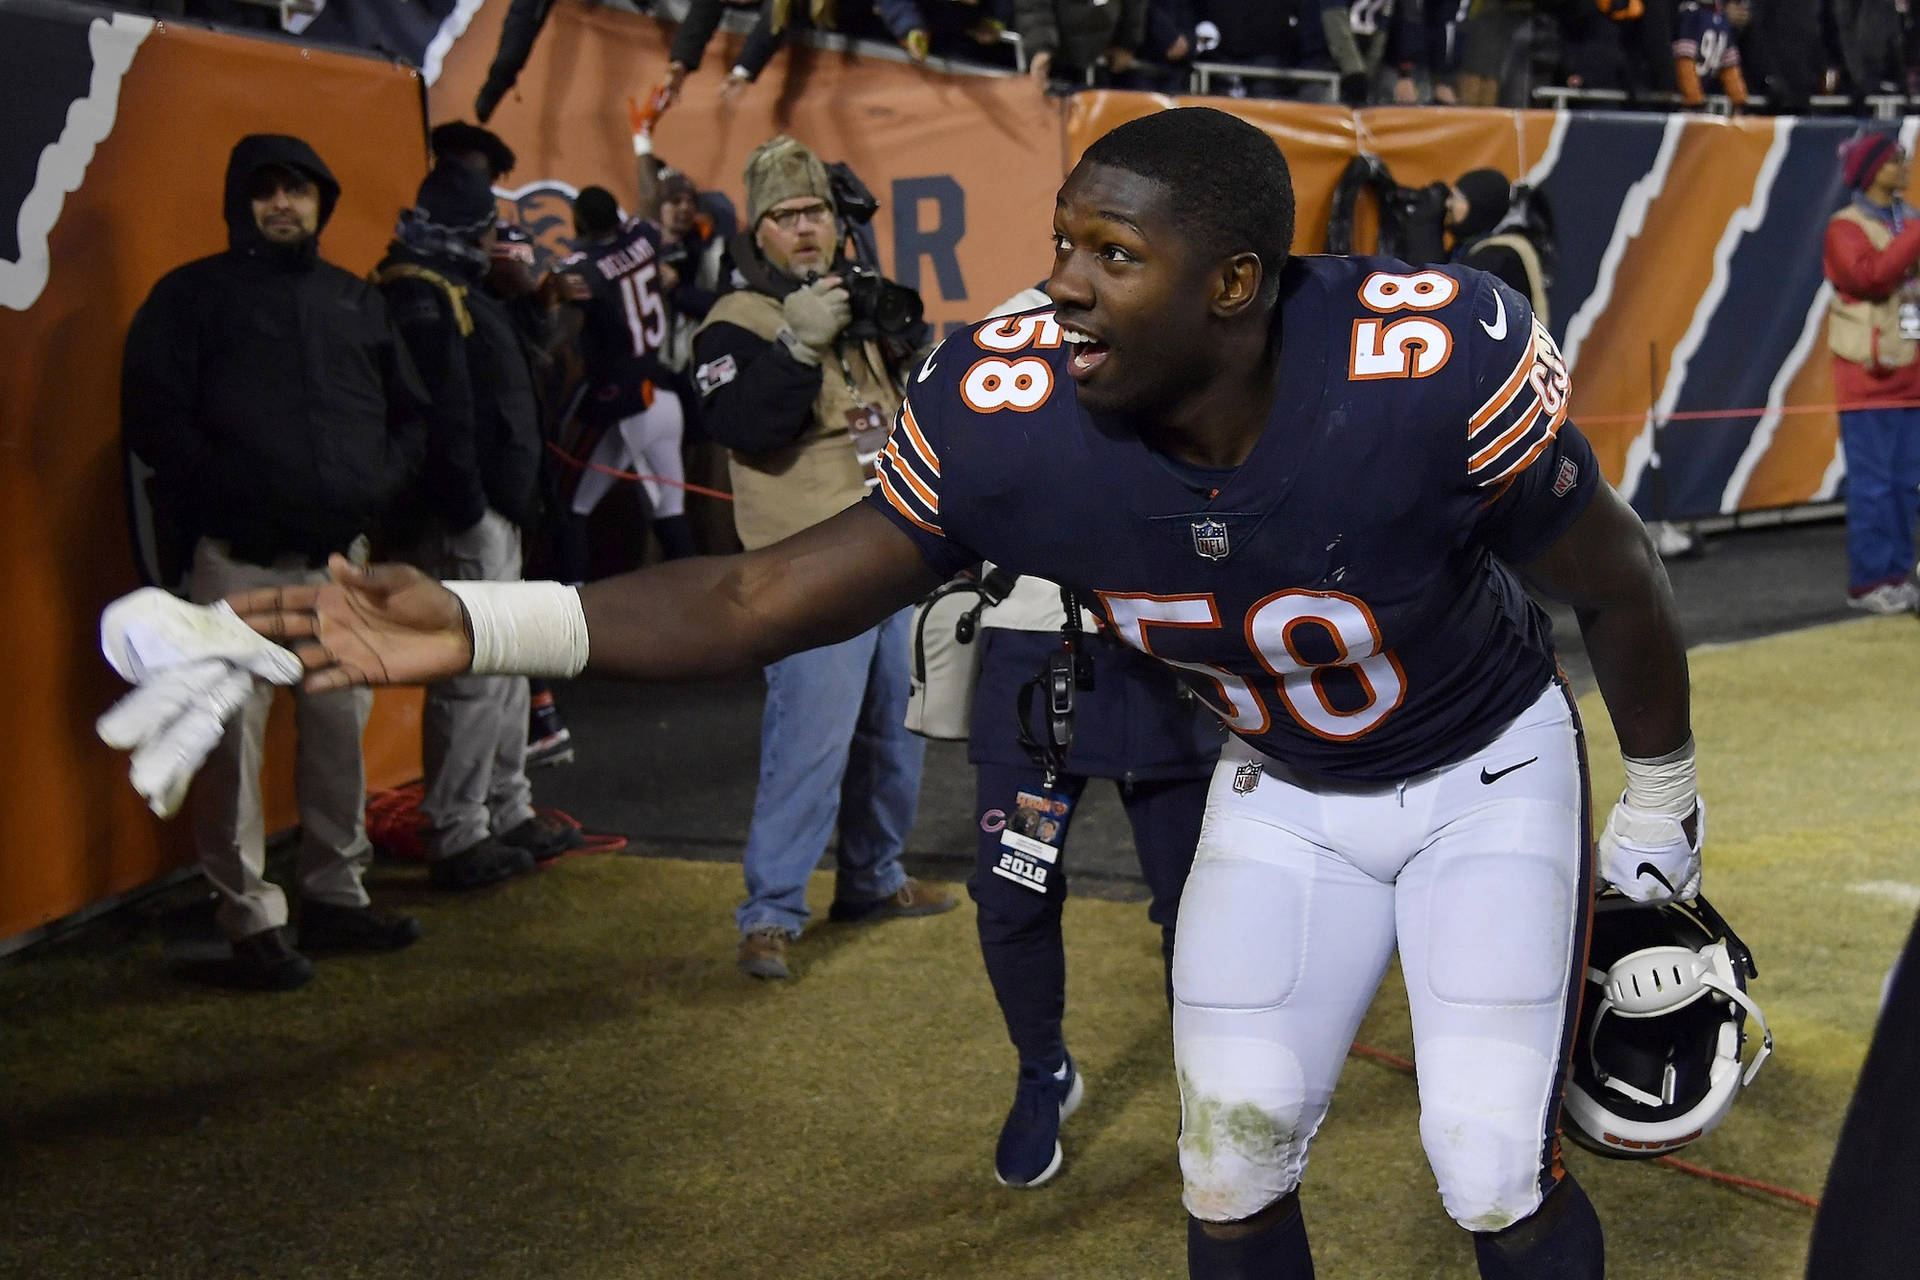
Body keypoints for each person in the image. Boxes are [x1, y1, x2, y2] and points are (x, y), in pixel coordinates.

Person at [111, 108, 1701, 1279]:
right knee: (1227, 1166)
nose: (1058, 286)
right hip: (1280, 792)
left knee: (1488, 1162)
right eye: (1062, 241)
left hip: (1483, 778)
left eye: (1111, 255)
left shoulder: (1421, 365)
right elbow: (754, 595)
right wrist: (463, 622)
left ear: (1232, 285)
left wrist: (1663, 794)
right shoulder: (1016, 412)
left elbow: (1616, 578)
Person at [116, 134, 429, 990]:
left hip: (338, 567)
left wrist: (376, 490)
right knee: (229, 743)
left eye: (298, 190)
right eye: (266, 191)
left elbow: (410, 415)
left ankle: (335, 893)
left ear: (323, 202)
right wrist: (228, 493)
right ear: (240, 203)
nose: (283, 204)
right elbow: (153, 418)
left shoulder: (354, 302)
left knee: (339, 736)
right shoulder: (190, 298)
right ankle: (249, 918)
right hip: (238, 563)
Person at [688, 135, 954, 980]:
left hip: (889, 552)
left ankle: (874, 877)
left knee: (894, 733)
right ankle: (770, 911)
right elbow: (740, 428)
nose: (804, 229)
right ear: (757, 232)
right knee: (810, 741)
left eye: (816, 213)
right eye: (785, 216)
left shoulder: (855, 300)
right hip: (803, 569)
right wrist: (794, 351)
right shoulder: (735, 321)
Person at [374, 163, 582, 888]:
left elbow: (519, 374)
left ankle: (505, 805)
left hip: (500, 505)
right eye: (489, 227)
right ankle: (459, 832)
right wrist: (467, 507)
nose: (501, 239)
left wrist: (530, 300)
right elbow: (436, 413)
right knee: (472, 671)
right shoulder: (417, 290)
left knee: (507, 665)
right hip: (469, 514)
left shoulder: (463, 288)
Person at [554, 185, 699, 571]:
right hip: (663, 392)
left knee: (569, 505)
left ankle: (573, 608)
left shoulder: (583, 267)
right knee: (670, 512)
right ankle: (700, 600)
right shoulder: (643, 237)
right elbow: (648, 207)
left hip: (625, 399)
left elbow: (560, 330)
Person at [1823, 132, 1920, 615]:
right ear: (1871, 169)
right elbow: (1871, 276)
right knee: (1874, 483)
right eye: (1893, 160)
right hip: (1867, 377)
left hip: (1911, 371)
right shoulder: (1845, 227)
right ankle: (1868, 582)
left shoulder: (1910, 222)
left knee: (1907, 482)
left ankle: (1900, 574)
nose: (1903, 166)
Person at [1672, 0, 1750, 110]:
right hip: (1683, 100)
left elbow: (1729, 65)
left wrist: (1739, 100)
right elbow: (1685, 59)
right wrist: (1693, 98)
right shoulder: (1691, 13)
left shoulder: (1721, 17)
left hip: (1702, 95)